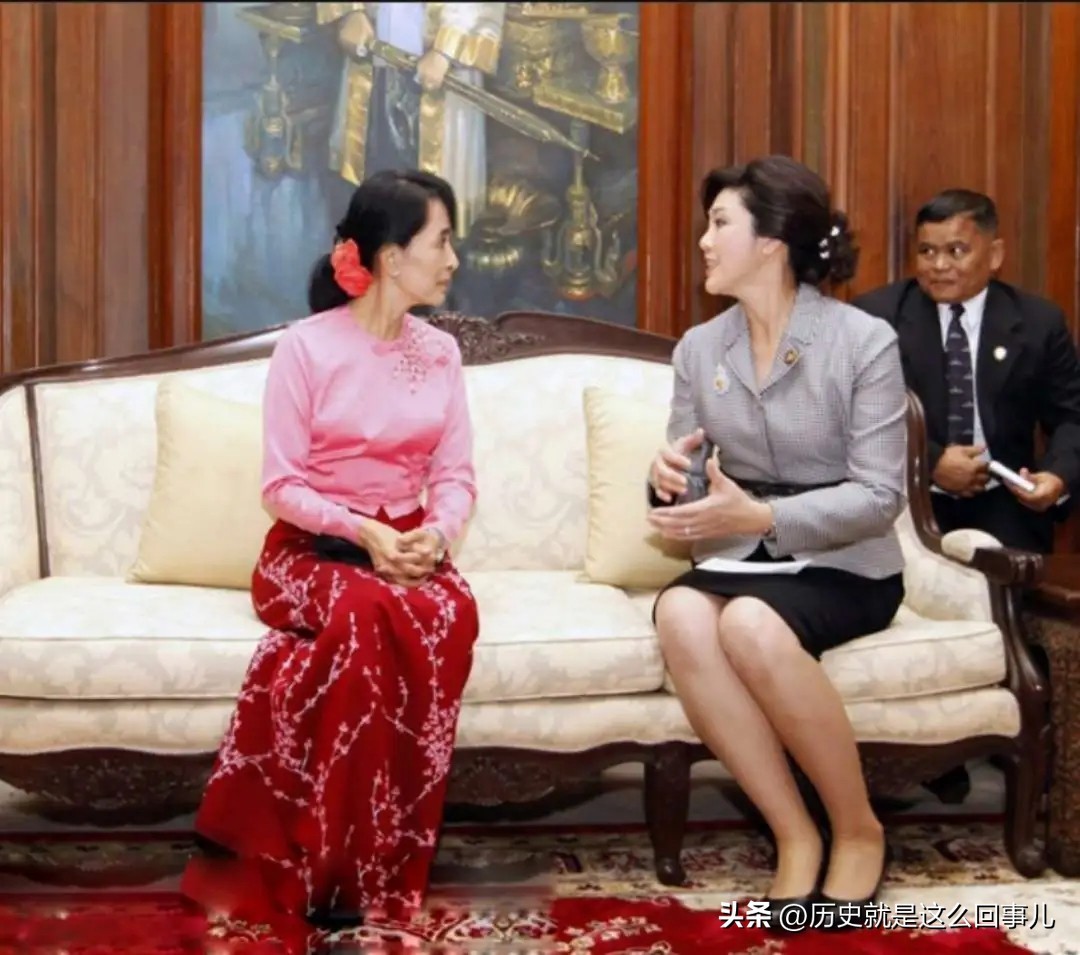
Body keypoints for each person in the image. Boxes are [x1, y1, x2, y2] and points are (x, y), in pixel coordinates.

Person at [181, 168, 479, 945]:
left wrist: (435, 535)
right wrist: (364, 533)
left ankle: (389, 856)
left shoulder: (442, 353)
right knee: (367, 613)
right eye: (442, 241)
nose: (454, 259)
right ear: (391, 256)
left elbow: (454, 476)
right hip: (310, 551)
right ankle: (334, 868)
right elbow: (281, 485)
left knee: (452, 612)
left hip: (407, 544)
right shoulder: (306, 348)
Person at [646, 155, 906, 933]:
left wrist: (763, 516)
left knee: (751, 624)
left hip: (844, 561)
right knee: (680, 614)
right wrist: (666, 481)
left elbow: (879, 496)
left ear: (771, 241)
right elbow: (690, 485)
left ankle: (856, 827)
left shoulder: (864, 342)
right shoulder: (700, 349)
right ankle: (794, 831)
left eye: (719, 223)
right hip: (741, 557)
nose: (704, 240)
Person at [853, 188, 1080, 555]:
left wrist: (1057, 476)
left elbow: (1072, 417)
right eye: (927, 251)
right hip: (905, 502)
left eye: (956, 251)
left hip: (1005, 502)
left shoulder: (1039, 322)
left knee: (1009, 574)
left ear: (995, 255)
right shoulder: (877, 317)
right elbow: (854, 413)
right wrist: (930, 462)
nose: (939, 265)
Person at [318, 2, 506, 239]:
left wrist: (446, 50)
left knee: (430, 197)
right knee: (373, 176)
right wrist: (351, 12)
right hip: (373, 53)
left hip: (439, 68)